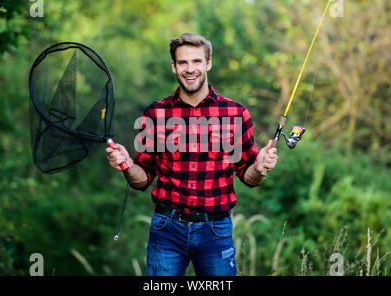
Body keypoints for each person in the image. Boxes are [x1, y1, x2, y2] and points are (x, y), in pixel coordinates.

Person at [106, 32, 278, 276]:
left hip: (216, 230)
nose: (190, 69)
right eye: (183, 62)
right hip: (166, 229)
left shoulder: (236, 114)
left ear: (208, 63)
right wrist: (126, 165)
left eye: (196, 61)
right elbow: (142, 179)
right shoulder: (155, 114)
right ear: (174, 67)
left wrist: (259, 168)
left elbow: (248, 177)